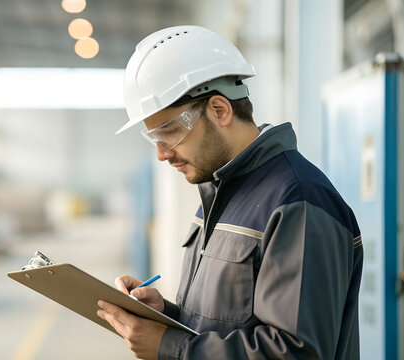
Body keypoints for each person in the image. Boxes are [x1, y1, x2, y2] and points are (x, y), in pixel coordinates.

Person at [96, 25, 364, 360]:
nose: (162, 154)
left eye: (169, 133)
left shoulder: (299, 202)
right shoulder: (217, 193)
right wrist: (165, 315)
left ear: (220, 110)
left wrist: (170, 347)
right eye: (154, 139)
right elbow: (227, 326)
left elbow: (296, 352)